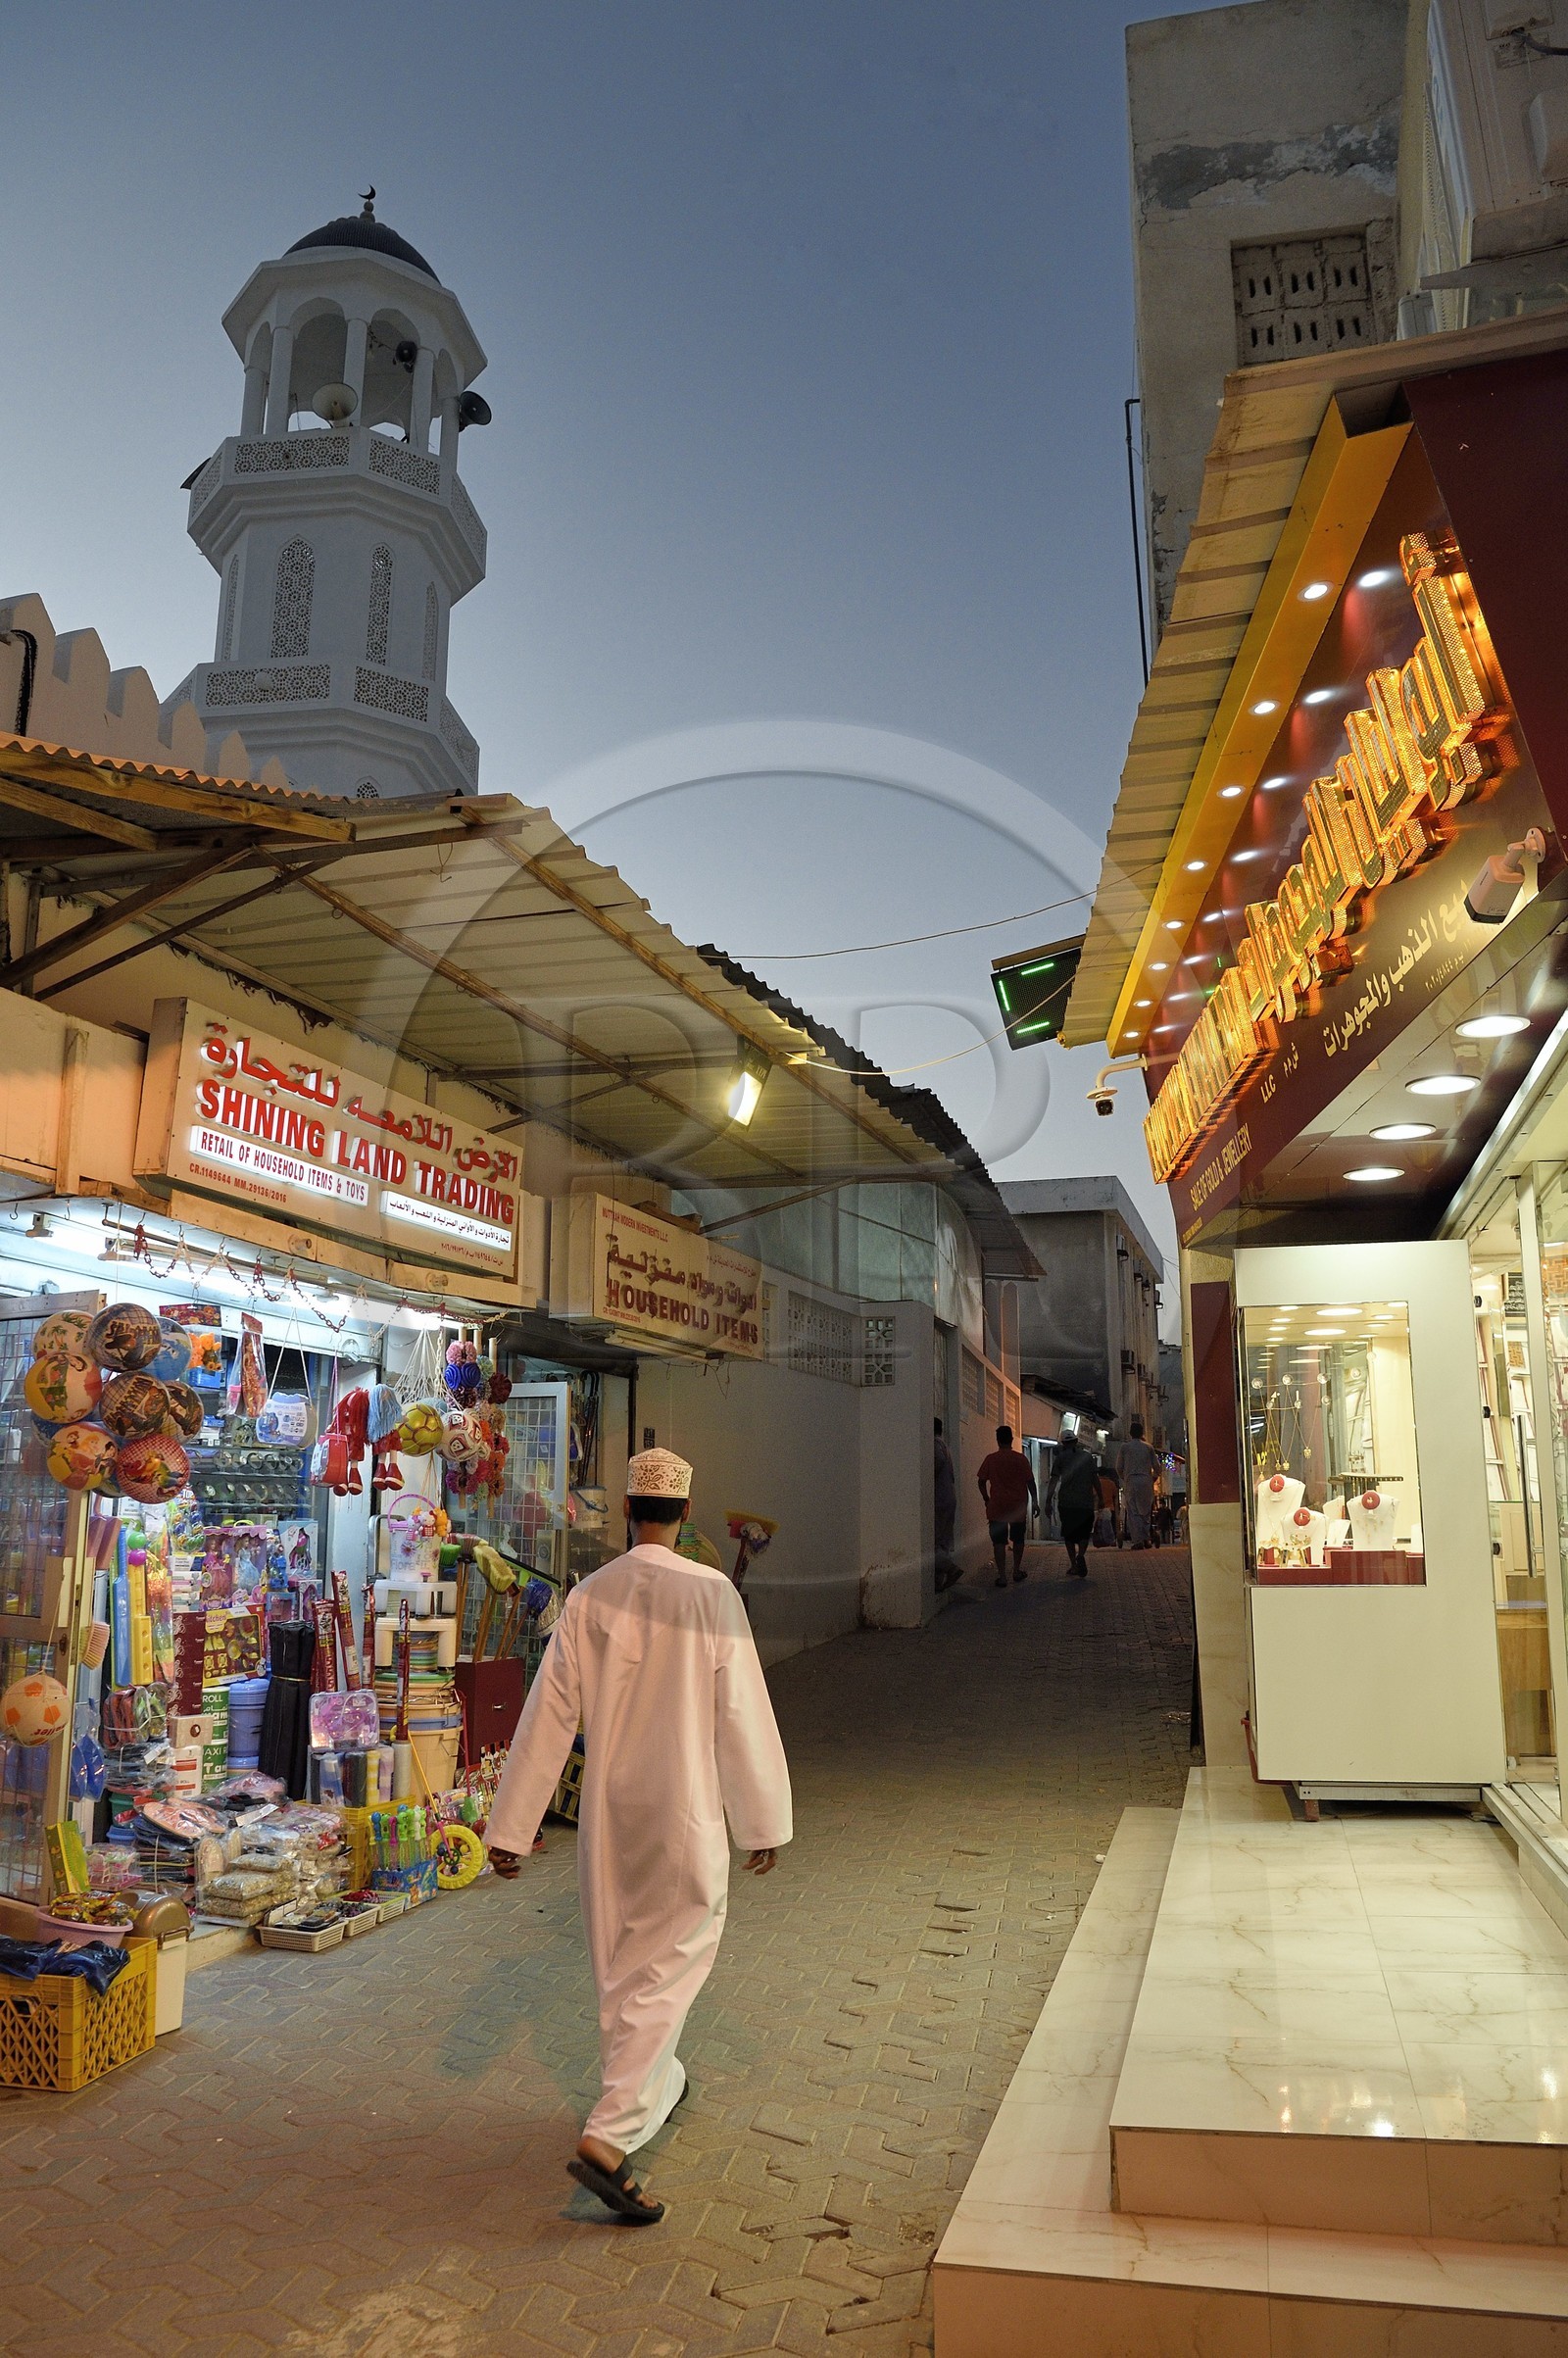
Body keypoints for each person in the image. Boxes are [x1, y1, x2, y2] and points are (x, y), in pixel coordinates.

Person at [485, 1447, 792, 2225]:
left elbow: (548, 1713)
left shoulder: (590, 1595)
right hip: (686, 1808)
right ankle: (610, 2135)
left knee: (624, 1964)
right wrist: (760, 1820)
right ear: (686, 1515)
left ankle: (651, 2090)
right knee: (674, 1959)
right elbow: (742, 1712)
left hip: (610, 1815)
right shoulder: (712, 1592)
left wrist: (512, 1829)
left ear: (628, 1512)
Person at [975, 1423, 1038, 1589]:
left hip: (997, 1506)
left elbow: (981, 1482)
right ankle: (1016, 1571)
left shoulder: (991, 1459)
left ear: (997, 1440)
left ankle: (1002, 1576)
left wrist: (986, 1498)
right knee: (1018, 1539)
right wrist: (1036, 1502)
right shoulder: (1021, 1459)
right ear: (1011, 1439)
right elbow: (1030, 1482)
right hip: (1017, 1505)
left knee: (998, 1542)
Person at [1048, 1429, 1101, 1579]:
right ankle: (1081, 1555)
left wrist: (1047, 1501)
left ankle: (1073, 1564)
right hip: (1085, 1502)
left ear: (1063, 1443)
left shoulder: (1060, 1459)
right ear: (1076, 1442)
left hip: (1067, 1503)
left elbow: (1053, 1481)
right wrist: (1101, 1498)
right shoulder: (1087, 1458)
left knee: (1069, 1535)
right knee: (1084, 1533)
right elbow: (1095, 1479)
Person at [1116, 1419, 1160, 1549]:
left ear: (1130, 1433)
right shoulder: (1148, 1447)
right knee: (1146, 1511)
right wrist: (1153, 1478)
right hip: (1146, 1481)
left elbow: (1119, 1467)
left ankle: (1137, 1540)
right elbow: (1157, 1467)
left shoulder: (1125, 1447)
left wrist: (1125, 1478)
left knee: (1133, 1512)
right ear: (1142, 1433)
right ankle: (1146, 1538)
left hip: (1131, 1481)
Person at [933, 1417, 960, 1592]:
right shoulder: (944, 1445)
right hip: (948, 1497)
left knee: (933, 1542)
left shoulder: (934, 1445)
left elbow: (935, 1464)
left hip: (940, 1499)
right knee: (943, 1541)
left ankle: (951, 1569)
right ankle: (938, 1582)